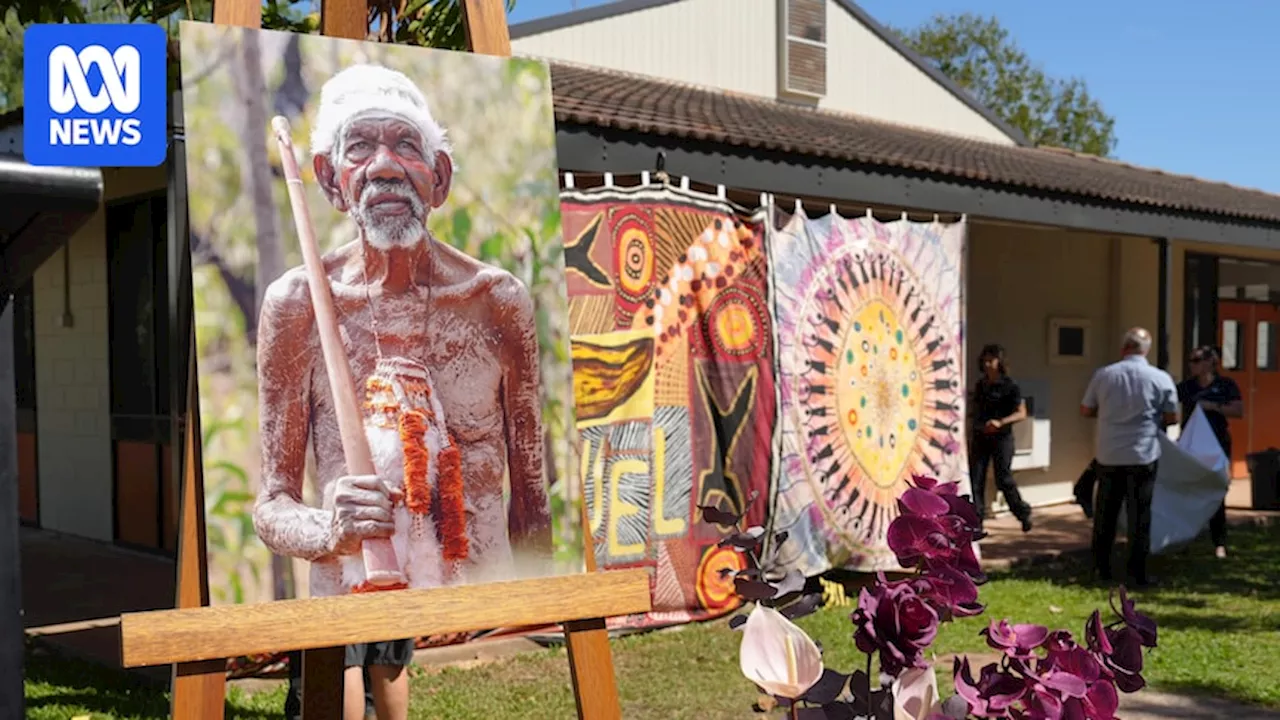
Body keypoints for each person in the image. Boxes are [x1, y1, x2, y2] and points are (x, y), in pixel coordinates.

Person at [254, 63, 554, 720]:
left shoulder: (495, 302)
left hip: (466, 610)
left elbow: (531, 498)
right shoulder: (298, 305)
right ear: (330, 179)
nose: (385, 166)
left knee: (393, 684)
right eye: (360, 146)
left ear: (438, 177)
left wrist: (540, 609)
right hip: (351, 600)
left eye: (407, 146)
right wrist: (328, 528)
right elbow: (271, 504)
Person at [1080, 327, 1178, 588]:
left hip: (1109, 453)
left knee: (1105, 514)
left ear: (1124, 348)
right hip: (1142, 454)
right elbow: (1172, 416)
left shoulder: (1104, 375)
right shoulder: (1160, 378)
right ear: (1146, 351)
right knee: (1140, 516)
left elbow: (1086, 408)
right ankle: (1137, 572)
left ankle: (1101, 569)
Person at [1176, 345, 1243, 559]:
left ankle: (1219, 542)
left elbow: (1238, 410)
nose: (1192, 365)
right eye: (1191, 361)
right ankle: (1185, 539)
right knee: (1188, 490)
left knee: (1216, 490)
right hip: (1192, 444)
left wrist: (1212, 407)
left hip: (1217, 443)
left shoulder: (1225, 385)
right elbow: (1167, 403)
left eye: (1196, 361)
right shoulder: (1187, 387)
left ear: (1209, 363)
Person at [967, 344, 1033, 532]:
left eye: (991, 360)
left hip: (1002, 438)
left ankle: (1022, 512)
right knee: (976, 479)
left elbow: (1021, 413)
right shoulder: (981, 385)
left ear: (1000, 362)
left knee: (1003, 479)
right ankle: (977, 522)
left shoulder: (1010, 386)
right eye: (985, 360)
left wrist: (1001, 422)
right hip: (981, 437)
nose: (987, 364)